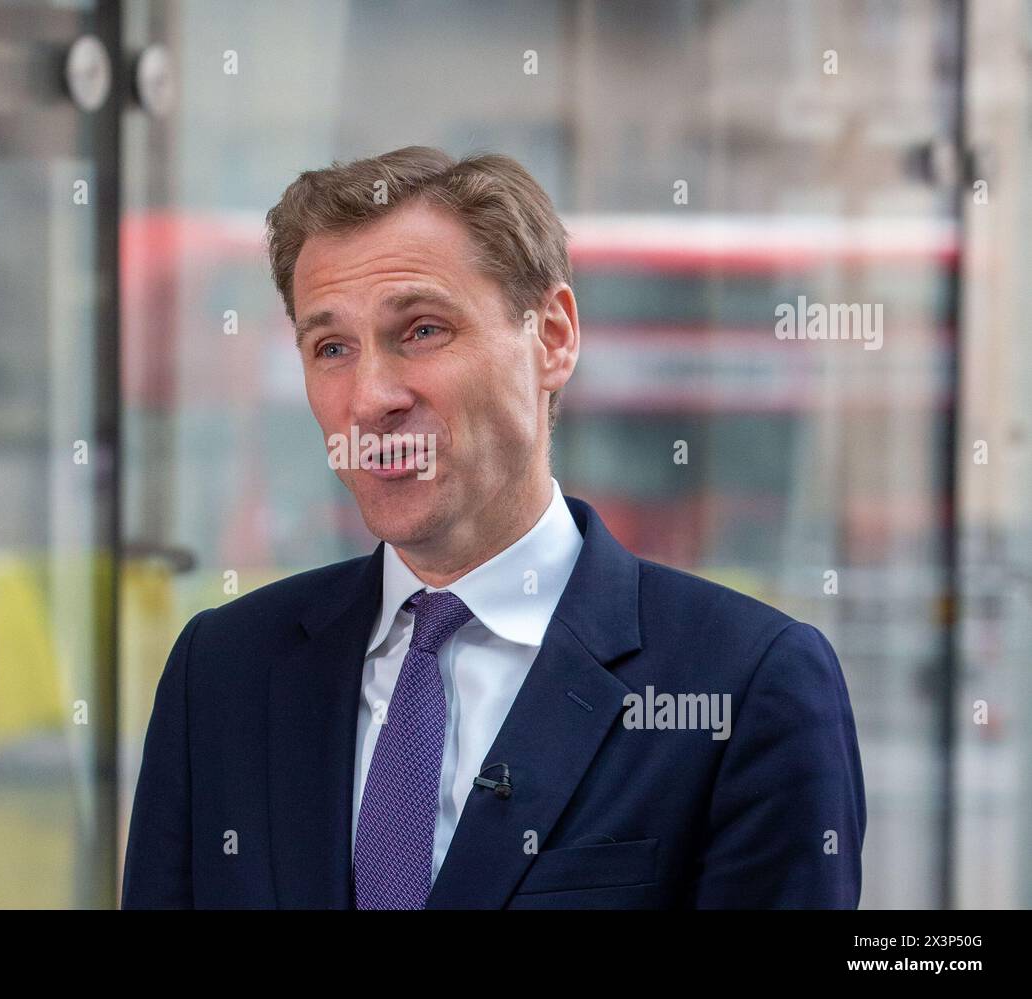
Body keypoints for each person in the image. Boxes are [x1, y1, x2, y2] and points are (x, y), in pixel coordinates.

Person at [122, 146, 867, 909]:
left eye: (421, 330)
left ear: (552, 337)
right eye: (332, 348)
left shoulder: (747, 685)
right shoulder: (222, 671)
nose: (370, 396)